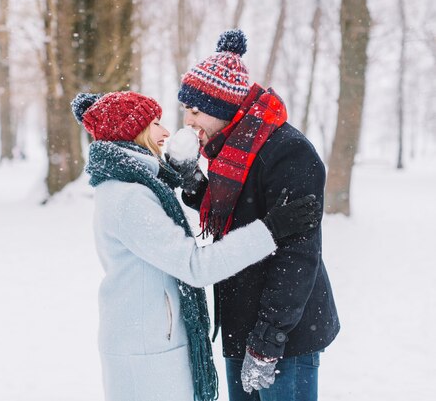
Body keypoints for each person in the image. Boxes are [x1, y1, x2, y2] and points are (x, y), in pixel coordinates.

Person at [70, 90, 321, 401]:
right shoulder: (129, 198)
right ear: (133, 132)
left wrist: (191, 180)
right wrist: (269, 230)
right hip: (146, 352)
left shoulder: (133, 186)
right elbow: (195, 266)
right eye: (155, 123)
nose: (166, 133)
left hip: (149, 342)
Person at [171, 29, 340, 401]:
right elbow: (236, 217)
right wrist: (193, 179)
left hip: (285, 337)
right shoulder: (228, 150)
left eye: (195, 110)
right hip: (241, 320)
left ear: (221, 107)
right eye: (186, 109)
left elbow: (298, 254)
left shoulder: (288, 153)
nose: (188, 120)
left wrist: (268, 339)